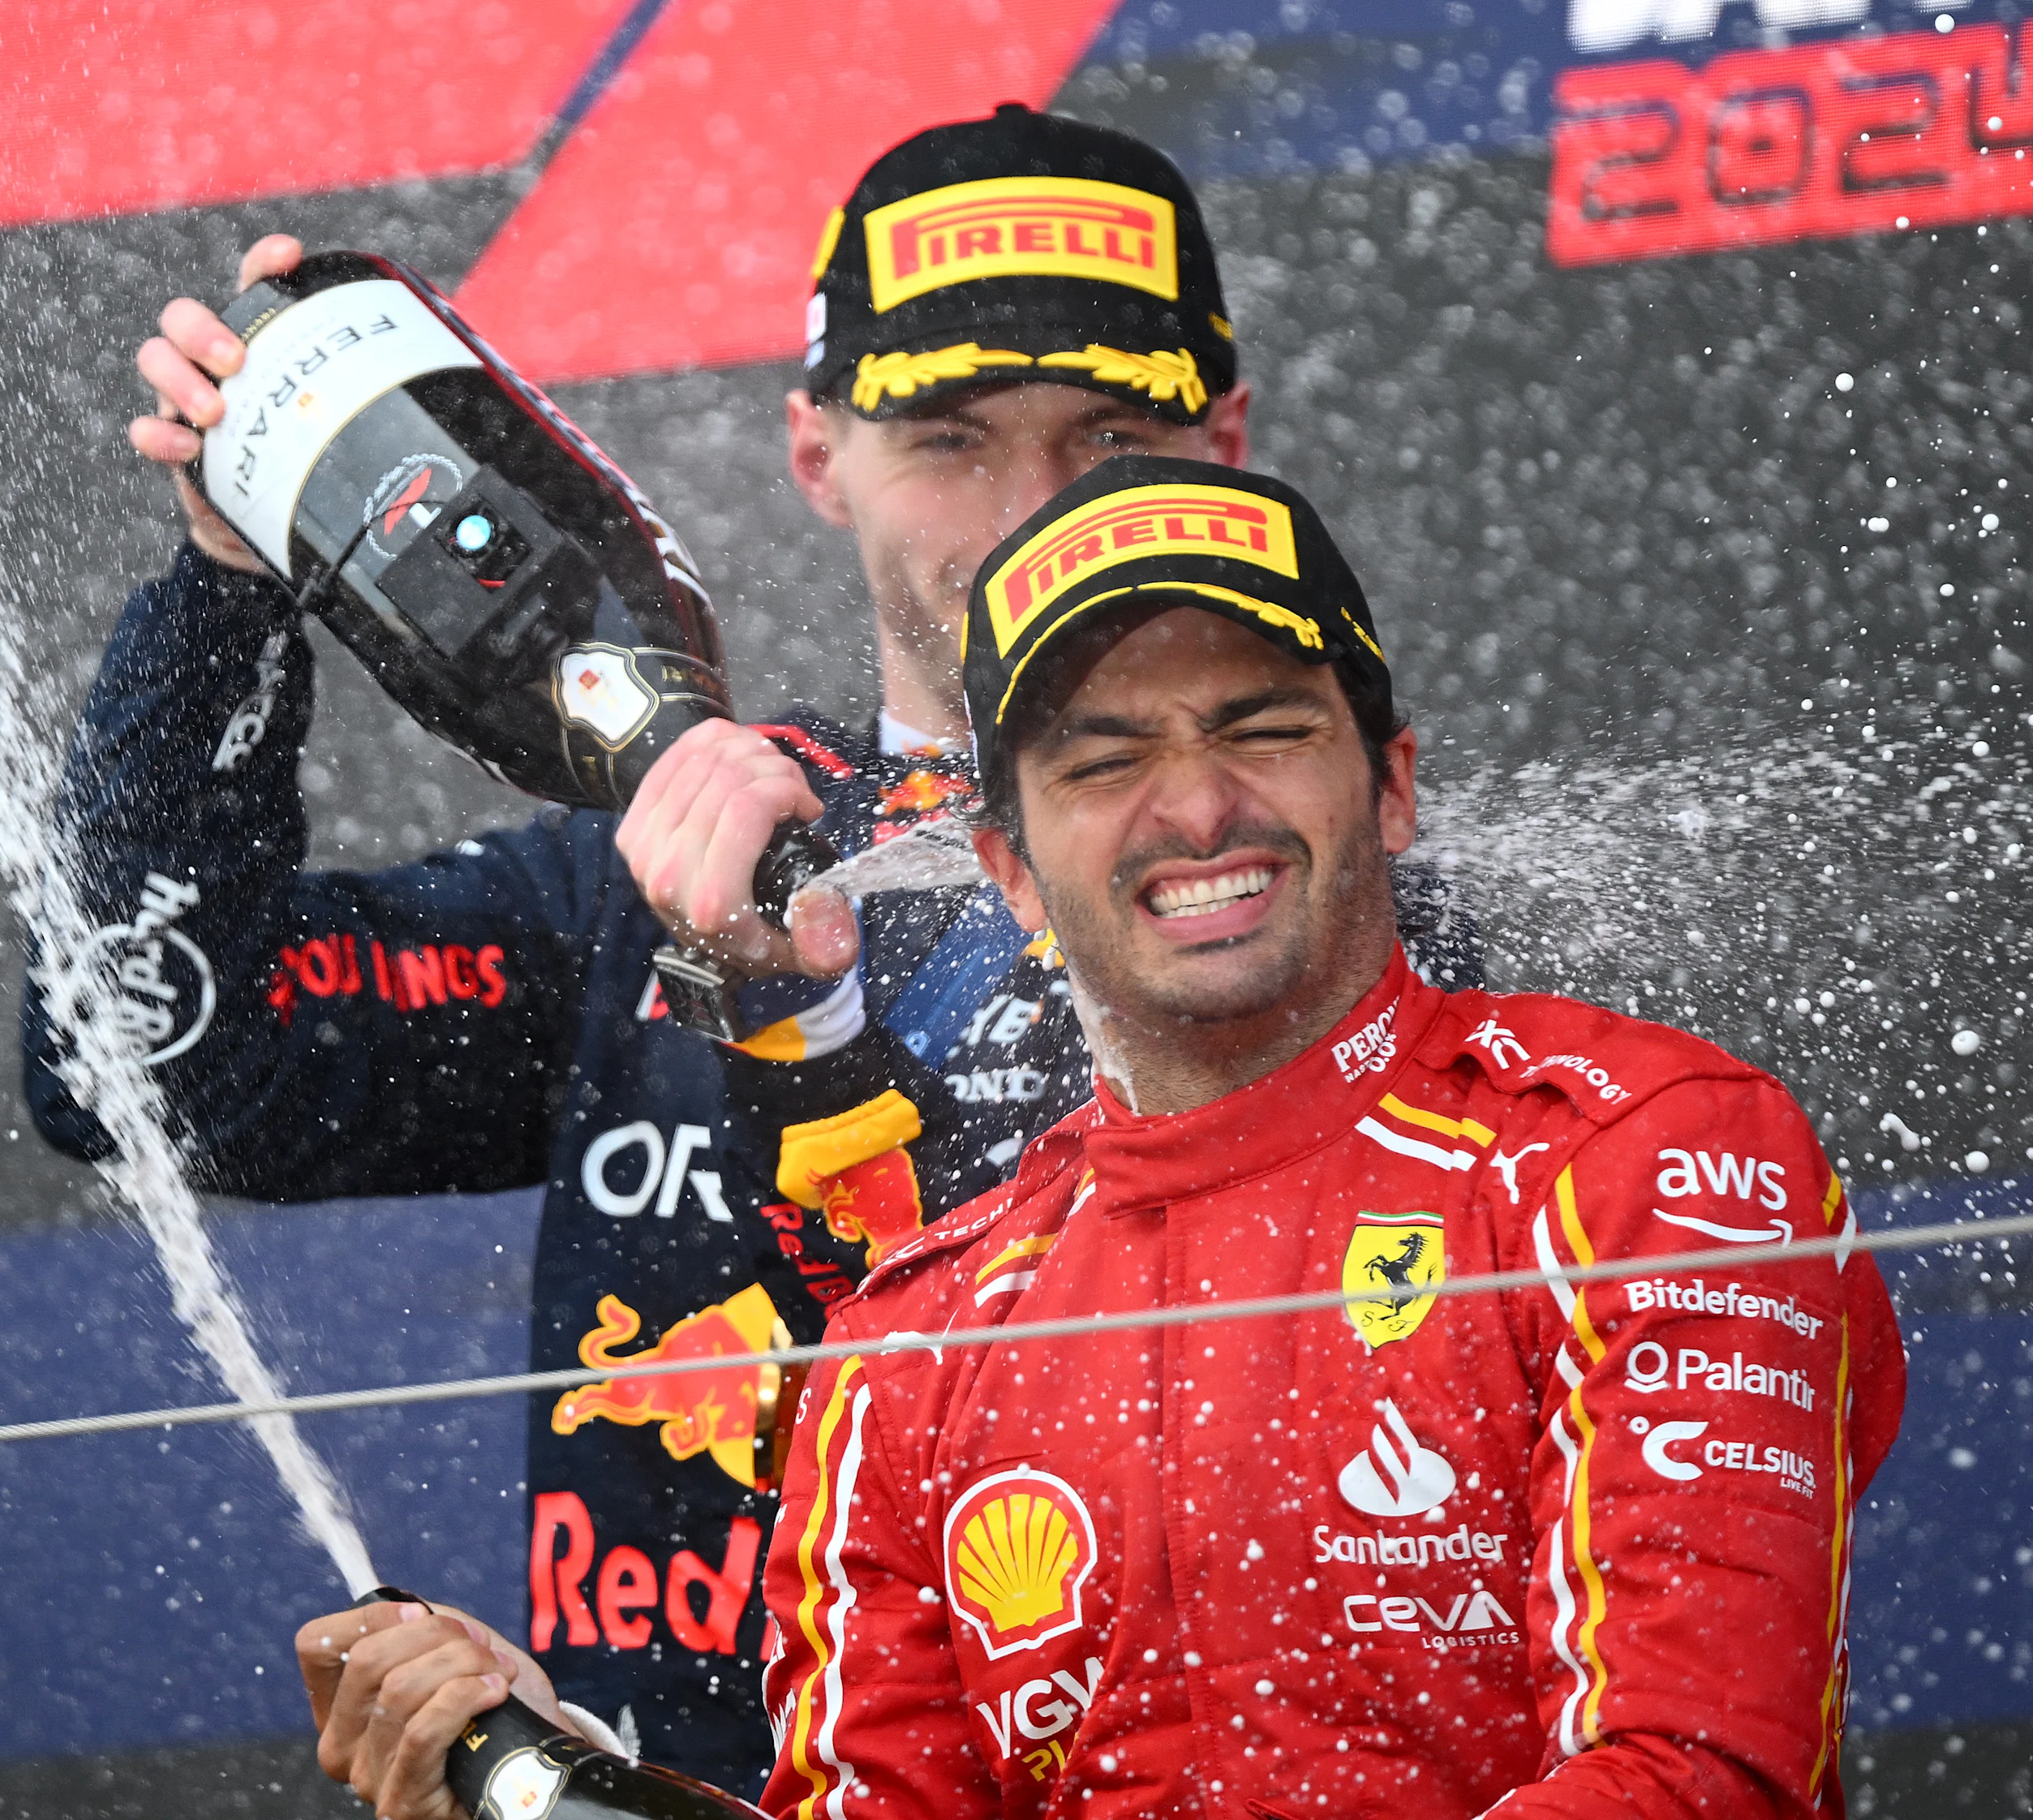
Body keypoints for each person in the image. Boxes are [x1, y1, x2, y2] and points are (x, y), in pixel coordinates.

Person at [28, 106, 1468, 1788]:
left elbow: (1116, 1378)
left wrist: (796, 1005)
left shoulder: (1305, 889)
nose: (1028, 509)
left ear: (1223, 445)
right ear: (815, 454)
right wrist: (229, 579)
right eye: (950, 440)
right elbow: (134, 1056)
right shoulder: (637, 864)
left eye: (1106, 438)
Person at [753, 458, 1911, 1815]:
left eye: (1264, 728)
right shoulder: (911, 1347)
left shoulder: (1646, 1158)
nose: (1194, 807)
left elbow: (1699, 1780)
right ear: (1009, 868)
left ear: (1394, 785)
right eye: (1105, 758)